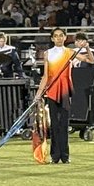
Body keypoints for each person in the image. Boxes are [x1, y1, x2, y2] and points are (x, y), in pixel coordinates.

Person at [34, 27, 80, 164]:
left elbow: (91, 61)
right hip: (52, 91)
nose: (59, 38)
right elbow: (46, 76)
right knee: (54, 124)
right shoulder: (47, 53)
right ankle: (55, 156)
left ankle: (65, 156)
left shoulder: (70, 52)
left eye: (61, 35)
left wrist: (87, 48)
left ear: (65, 37)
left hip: (65, 91)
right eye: (56, 36)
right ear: (52, 38)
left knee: (64, 124)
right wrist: (38, 93)